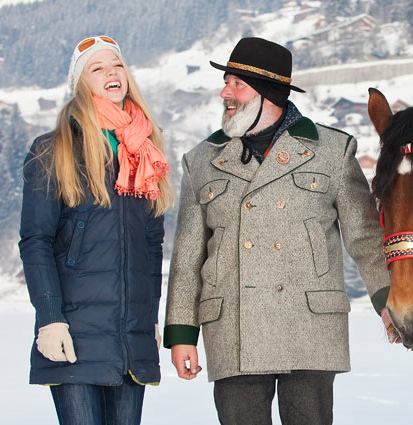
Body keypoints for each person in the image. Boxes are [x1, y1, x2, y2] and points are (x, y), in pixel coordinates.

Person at [163, 37, 392, 425]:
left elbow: (365, 237)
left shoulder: (331, 150)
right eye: (227, 82)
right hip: (233, 329)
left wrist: (388, 299)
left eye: (236, 84)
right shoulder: (202, 160)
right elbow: (188, 256)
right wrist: (182, 332)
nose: (225, 92)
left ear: (269, 92)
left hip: (310, 327)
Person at [19, 35, 174, 425]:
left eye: (116, 65)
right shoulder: (54, 149)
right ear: (81, 83)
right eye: (97, 68)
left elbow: (152, 245)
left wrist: (150, 318)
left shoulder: (144, 152)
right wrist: (49, 318)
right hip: (74, 331)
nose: (111, 73)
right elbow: (36, 242)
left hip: (130, 334)